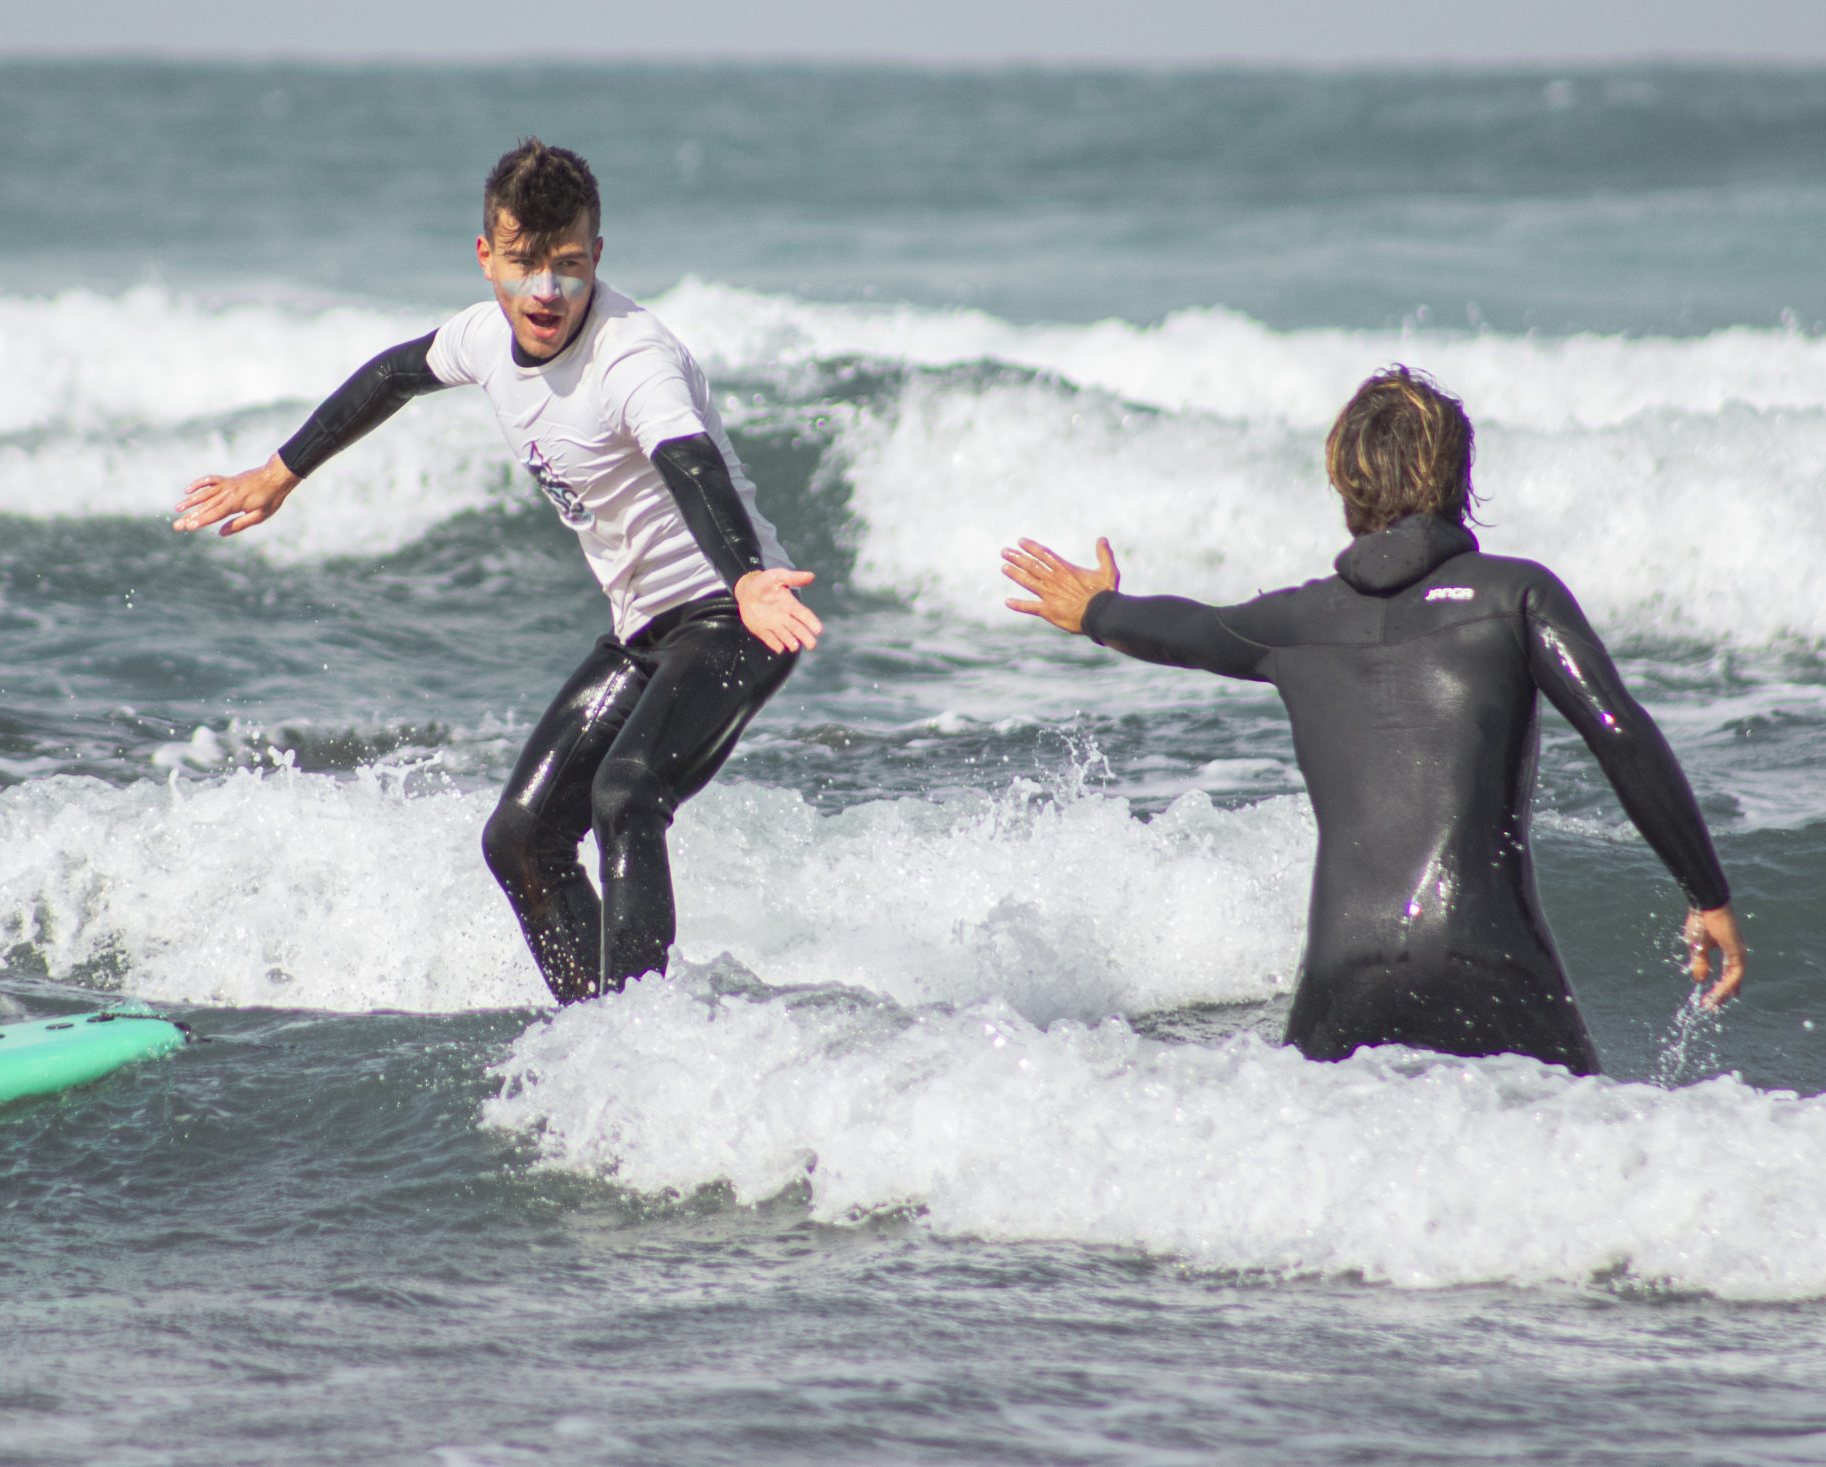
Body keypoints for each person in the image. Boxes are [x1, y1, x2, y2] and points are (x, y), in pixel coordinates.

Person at [174, 139, 819, 1003]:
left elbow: (689, 460)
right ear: (486, 257)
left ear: (597, 255)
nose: (545, 293)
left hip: (739, 615)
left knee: (626, 791)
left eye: (567, 266)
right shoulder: (483, 338)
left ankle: (645, 1033)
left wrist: (745, 578)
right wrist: (282, 471)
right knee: (518, 837)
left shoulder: (633, 358)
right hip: (643, 632)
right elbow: (392, 375)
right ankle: (598, 1021)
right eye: (523, 264)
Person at [999, 366, 1744, 1075]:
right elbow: (1619, 731)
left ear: (1345, 483)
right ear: (1457, 476)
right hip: (1485, 954)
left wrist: (1098, 610)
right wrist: (1705, 892)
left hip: (1345, 971)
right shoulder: (1516, 596)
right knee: (1573, 1161)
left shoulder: (1294, 620)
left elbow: (1189, 629)